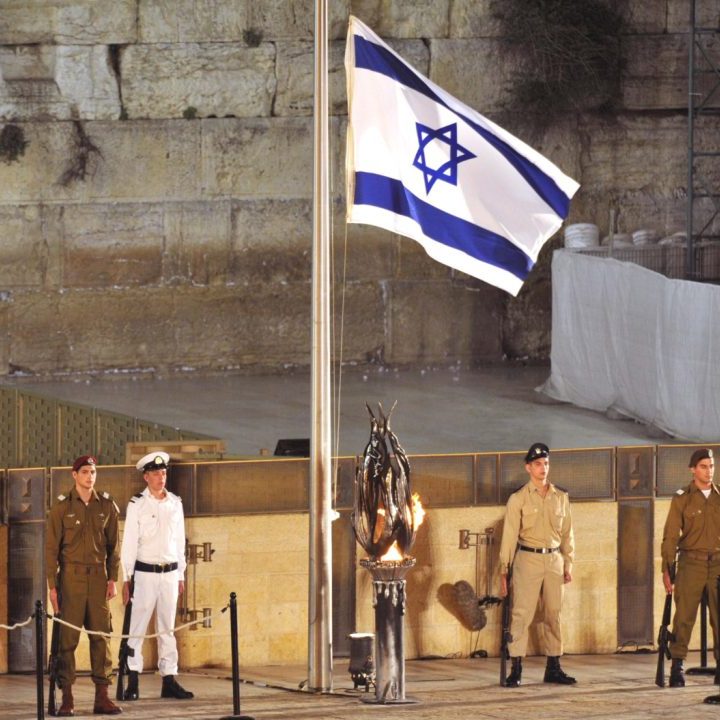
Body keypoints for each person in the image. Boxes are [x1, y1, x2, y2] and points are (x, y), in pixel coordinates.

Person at [45, 455, 123, 716]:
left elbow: (114, 547)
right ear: (74, 475)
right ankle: (67, 698)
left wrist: (112, 577)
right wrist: (52, 586)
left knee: (101, 638)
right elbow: (50, 550)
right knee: (67, 640)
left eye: (93, 471)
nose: (90, 476)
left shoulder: (107, 506)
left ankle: (102, 697)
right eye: (86, 472)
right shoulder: (60, 509)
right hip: (71, 579)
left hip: (99, 579)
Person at [499, 442, 576, 687]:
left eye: (546, 464)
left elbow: (567, 533)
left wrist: (568, 563)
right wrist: (504, 570)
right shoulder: (518, 499)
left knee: (554, 614)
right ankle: (516, 668)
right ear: (528, 468)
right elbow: (509, 536)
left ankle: (554, 667)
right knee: (522, 614)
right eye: (538, 464)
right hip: (527, 559)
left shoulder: (560, 497)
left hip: (554, 559)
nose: (543, 468)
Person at [120, 451, 193, 701]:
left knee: (167, 629)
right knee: (137, 628)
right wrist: (126, 578)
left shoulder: (175, 503)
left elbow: (179, 541)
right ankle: (132, 680)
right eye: (156, 474)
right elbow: (129, 543)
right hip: (145, 573)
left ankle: (169, 678)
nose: (161, 478)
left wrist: (181, 574)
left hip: (170, 573)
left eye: (163, 473)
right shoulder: (137, 505)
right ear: (146, 477)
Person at [661, 447, 720, 688]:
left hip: (717, 565)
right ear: (693, 469)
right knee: (684, 617)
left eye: (712, 466)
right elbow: (670, 536)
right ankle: (677, 665)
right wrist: (667, 569)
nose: (709, 471)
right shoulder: (682, 498)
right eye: (704, 466)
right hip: (690, 564)